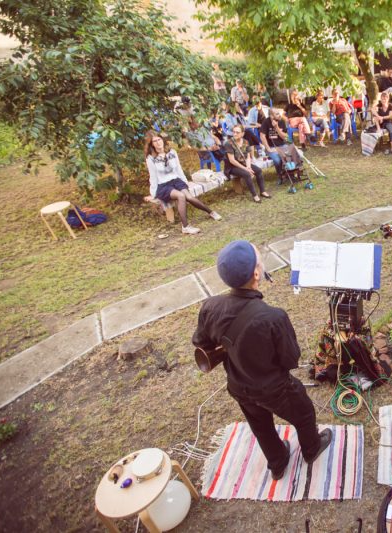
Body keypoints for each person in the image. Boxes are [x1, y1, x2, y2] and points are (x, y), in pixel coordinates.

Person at [192, 240, 333, 481]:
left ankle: (277, 463)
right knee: (305, 413)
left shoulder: (210, 307)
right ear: (257, 273)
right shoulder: (273, 317)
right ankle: (311, 449)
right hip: (274, 389)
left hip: (237, 386)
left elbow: (201, 343)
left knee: (261, 425)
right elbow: (290, 360)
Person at [144, 132, 221, 235]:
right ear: (151, 144)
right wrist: (153, 194)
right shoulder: (151, 158)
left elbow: (179, 169)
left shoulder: (172, 152)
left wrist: (185, 182)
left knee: (189, 197)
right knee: (181, 196)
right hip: (163, 186)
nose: (158, 143)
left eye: (159, 140)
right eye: (155, 141)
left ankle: (211, 212)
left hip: (176, 181)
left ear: (163, 140)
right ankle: (185, 227)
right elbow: (153, 177)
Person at [224, 125, 270, 203]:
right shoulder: (229, 143)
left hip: (244, 163)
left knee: (258, 171)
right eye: (233, 132)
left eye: (237, 132)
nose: (234, 134)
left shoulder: (245, 142)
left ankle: (262, 192)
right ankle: (255, 195)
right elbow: (232, 160)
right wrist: (246, 169)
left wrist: (248, 167)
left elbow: (248, 157)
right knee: (247, 174)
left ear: (242, 133)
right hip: (232, 166)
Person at [260, 108, 302, 179]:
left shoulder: (281, 121)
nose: (279, 115)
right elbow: (262, 136)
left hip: (283, 145)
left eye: (279, 113)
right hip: (272, 147)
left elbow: (285, 137)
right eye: (277, 114)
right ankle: (280, 175)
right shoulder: (266, 122)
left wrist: (277, 128)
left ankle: (292, 172)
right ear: (271, 116)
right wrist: (268, 149)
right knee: (277, 160)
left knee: (294, 154)